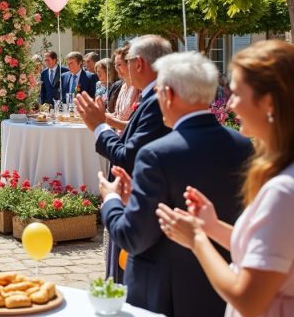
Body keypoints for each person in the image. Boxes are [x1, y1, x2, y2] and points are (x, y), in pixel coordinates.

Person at [99, 52, 252, 316]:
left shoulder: (156, 154)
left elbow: (133, 237)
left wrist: (111, 200)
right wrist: (136, 197)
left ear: (167, 94)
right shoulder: (243, 146)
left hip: (163, 295)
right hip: (220, 285)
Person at [156, 40, 294, 317]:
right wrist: (212, 226)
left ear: (268, 102)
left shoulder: (283, 190)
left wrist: (196, 239)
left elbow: (248, 300)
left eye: (236, 94)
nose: (229, 105)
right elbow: (268, 255)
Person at [75, 34, 172, 282]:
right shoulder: (151, 96)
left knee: (125, 276)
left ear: (138, 63)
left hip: (138, 201)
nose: (123, 68)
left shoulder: (156, 100)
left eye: (126, 61)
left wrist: (98, 126)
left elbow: (128, 155)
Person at [107, 44, 139, 130]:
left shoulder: (139, 88)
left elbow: (135, 124)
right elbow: (118, 115)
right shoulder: (123, 86)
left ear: (129, 64)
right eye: (115, 64)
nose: (116, 68)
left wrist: (108, 120)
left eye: (119, 64)